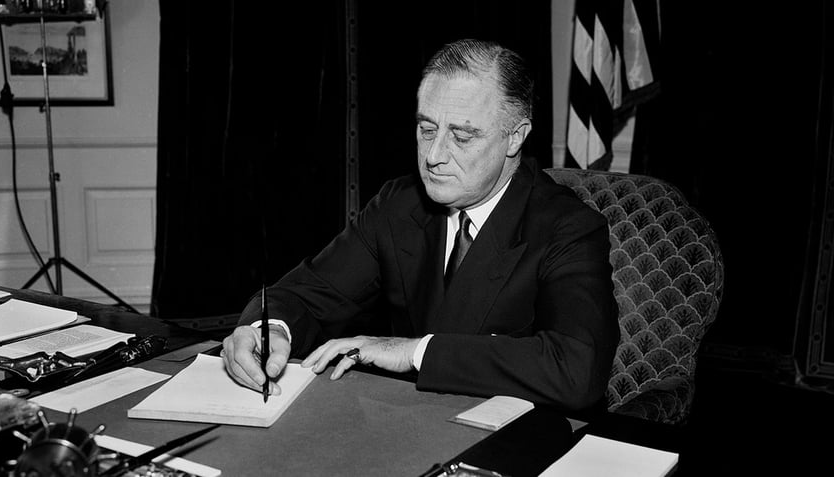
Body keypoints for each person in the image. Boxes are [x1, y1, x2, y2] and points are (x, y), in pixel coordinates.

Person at [221, 38, 619, 412]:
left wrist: (414, 352)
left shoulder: (568, 227)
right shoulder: (399, 205)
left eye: (461, 136)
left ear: (515, 137)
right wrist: (268, 330)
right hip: (406, 422)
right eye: (427, 129)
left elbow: (577, 370)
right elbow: (310, 292)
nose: (433, 155)